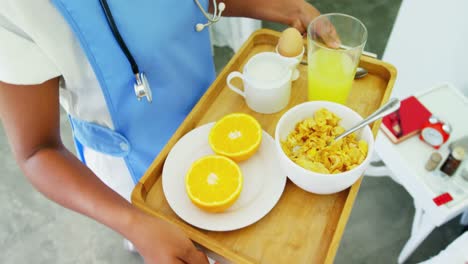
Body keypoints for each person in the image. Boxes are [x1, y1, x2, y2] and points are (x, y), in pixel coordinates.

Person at [0, 0, 329, 263]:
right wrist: (135, 225)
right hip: (134, 174)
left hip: (210, 115)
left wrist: (287, 7)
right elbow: (36, 150)